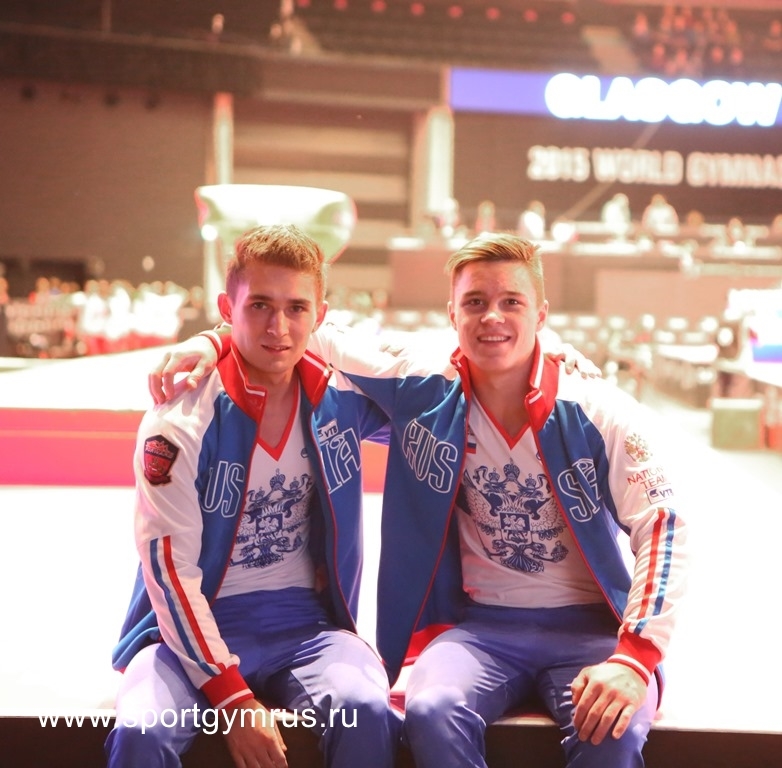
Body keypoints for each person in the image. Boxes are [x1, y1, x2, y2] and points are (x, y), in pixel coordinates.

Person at [150, 233, 686, 767]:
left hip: (592, 630)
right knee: (429, 712)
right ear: (452, 314)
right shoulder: (422, 382)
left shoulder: (599, 409)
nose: (492, 317)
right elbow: (299, 327)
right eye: (474, 302)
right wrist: (215, 341)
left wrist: (634, 657)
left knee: (610, 732)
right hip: (481, 630)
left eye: (512, 302)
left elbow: (665, 524)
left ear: (541, 315)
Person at [106, 224, 400, 768]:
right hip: (185, 628)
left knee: (365, 709)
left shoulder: (341, 399)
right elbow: (169, 572)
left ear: (320, 316)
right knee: (143, 731)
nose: (278, 328)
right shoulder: (179, 418)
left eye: (296, 308)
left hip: (307, 624)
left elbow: (435, 386)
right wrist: (233, 698)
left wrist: (549, 355)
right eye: (259, 305)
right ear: (228, 308)